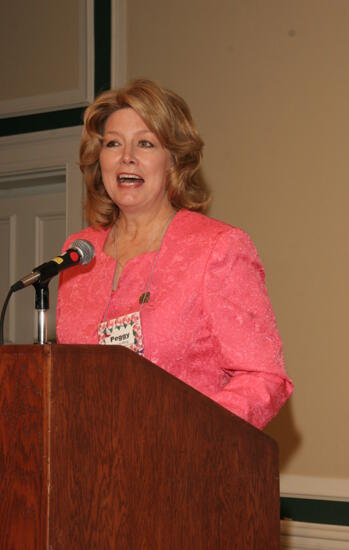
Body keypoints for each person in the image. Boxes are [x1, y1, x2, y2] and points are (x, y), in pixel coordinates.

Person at [56, 79, 293, 430]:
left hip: (185, 469)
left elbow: (264, 377)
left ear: (174, 162)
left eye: (146, 143)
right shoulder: (78, 253)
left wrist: (190, 435)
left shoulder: (217, 248)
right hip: (89, 468)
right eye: (113, 144)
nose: (127, 157)